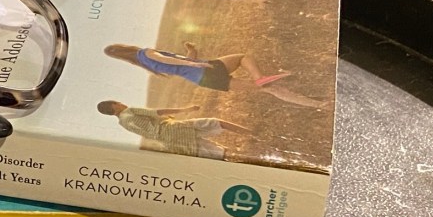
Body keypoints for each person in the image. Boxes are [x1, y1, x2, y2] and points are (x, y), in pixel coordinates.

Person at [104, 42, 328, 108]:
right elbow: (170, 61)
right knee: (243, 57)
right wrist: (194, 61)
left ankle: (318, 104)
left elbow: (175, 66)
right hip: (203, 69)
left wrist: (191, 53)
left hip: (203, 80)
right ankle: (261, 77)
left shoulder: (145, 64)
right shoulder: (145, 53)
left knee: (269, 89)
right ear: (124, 46)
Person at [96, 100, 250, 159]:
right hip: (172, 129)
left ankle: (243, 159)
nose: (122, 103)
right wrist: (186, 108)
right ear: (114, 106)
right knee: (215, 123)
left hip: (168, 142)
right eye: (118, 102)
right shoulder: (130, 111)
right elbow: (158, 112)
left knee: (213, 152)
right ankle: (252, 134)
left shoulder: (122, 124)